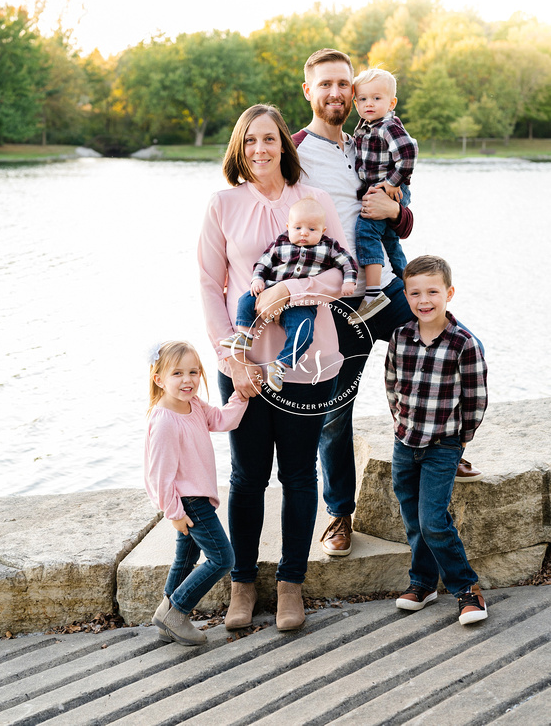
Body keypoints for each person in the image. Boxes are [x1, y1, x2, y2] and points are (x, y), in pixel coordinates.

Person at [293, 48, 481, 559]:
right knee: (335, 412)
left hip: (385, 287)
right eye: (326, 84)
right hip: (335, 299)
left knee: (448, 342)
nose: (337, 93)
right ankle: (339, 515)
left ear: (355, 92)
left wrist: (396, 209)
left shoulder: (365, 138)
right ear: (309, 91)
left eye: (344, 85)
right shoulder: (294, 150)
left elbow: (403, 214)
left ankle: (447, 447)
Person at [198, 104, 350, 631]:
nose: (259, 149)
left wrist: (292, 288)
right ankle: (242, 584)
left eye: (268, 139)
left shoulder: (317, 202)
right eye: (249, 141)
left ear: (284, 144)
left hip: (309, 360)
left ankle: (290, 585)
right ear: (239, 149)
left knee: (300, 473)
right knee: (246, 476)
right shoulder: (222, 204)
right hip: (245, 361)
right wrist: (230, 358)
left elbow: (344, 279)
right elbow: (208, 286)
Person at [386, 256, 488, 625]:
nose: (423, 300)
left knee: (433, 520)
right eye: (415, 292)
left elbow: (476, 400)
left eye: (432, 291)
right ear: (406, 295)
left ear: (449, 293)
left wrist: (460, 440)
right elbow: (392, 386)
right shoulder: (400, 337)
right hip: (405, 442)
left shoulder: (464, 344)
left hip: (443, 446)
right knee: (412, 518)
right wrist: (401, 423)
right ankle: (423, 583)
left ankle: (467, 589)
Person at [144, 340, 248, 645]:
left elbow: (222, 420)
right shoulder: (164, 420)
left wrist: (240, 395)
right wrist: (174, 513)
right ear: (159, 379)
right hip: (187, 501)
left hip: (197, 497)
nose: (188, 380)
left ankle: (167, 617)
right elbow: (160, 474)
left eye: (193, 372)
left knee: (185, 558)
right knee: (222, 558)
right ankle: (176, 611)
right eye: (177, 373)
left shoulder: (195, 406)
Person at [220, 196, 357, 392]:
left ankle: (282, 364)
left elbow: (347, 262)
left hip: (301, 303)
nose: (304, 233)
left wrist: (349, 280)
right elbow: (263, 263)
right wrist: (257, 279)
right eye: (298, 228)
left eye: (312, 229)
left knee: (304, 331)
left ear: (322, 231)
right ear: (288, 227)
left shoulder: (328, 246)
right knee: (245, 300)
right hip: (268, 288)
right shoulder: (280, 243)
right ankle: (244, 335)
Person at [348, 68, 417, 325]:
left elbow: (408, 153)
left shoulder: (387, 126)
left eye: (377, 98)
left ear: (391, 102)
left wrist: (391, 183)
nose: (369, 104)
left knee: (366, 231)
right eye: (363, 99)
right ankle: (408, 284)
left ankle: (373, 293)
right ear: (355, 102)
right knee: (389, 241)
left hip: (389, 190)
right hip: (380, 190)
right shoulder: (364, 128)